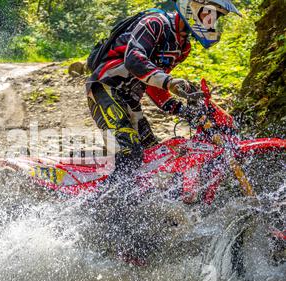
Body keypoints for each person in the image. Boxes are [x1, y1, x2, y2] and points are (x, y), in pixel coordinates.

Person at [86, 0, 242, 181]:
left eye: (216, 18)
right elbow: (134, 59)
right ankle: (106, 204)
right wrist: (170, 82)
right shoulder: (155, 23)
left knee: (155, 155)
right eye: (211, 15)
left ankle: (143, 200)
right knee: (129, 152)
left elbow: (155, 85)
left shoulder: (183, 47)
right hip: (105, 88)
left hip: (130, 100)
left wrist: (182, 110)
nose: (212, 22)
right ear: (194, 6)